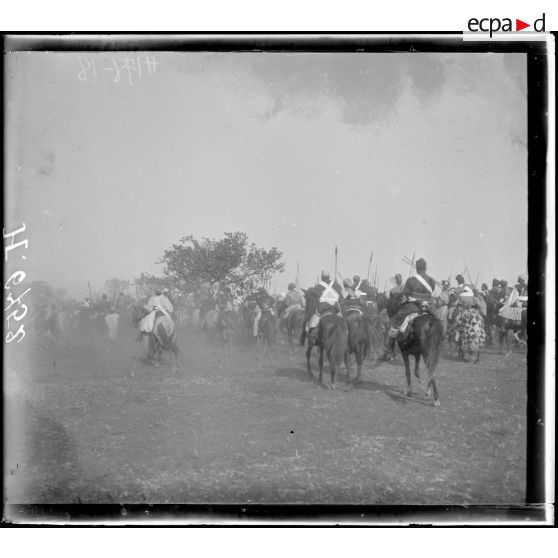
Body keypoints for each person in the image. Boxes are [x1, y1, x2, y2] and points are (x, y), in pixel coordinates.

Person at [384, 258, 436, 358]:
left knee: (397, 320)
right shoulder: (431, 280)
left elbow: (405, 293)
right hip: (429, 307)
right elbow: (432, 290)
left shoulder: (411, 280)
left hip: (414, 306)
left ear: (416, 268)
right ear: (426, 268)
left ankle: (389, 349)